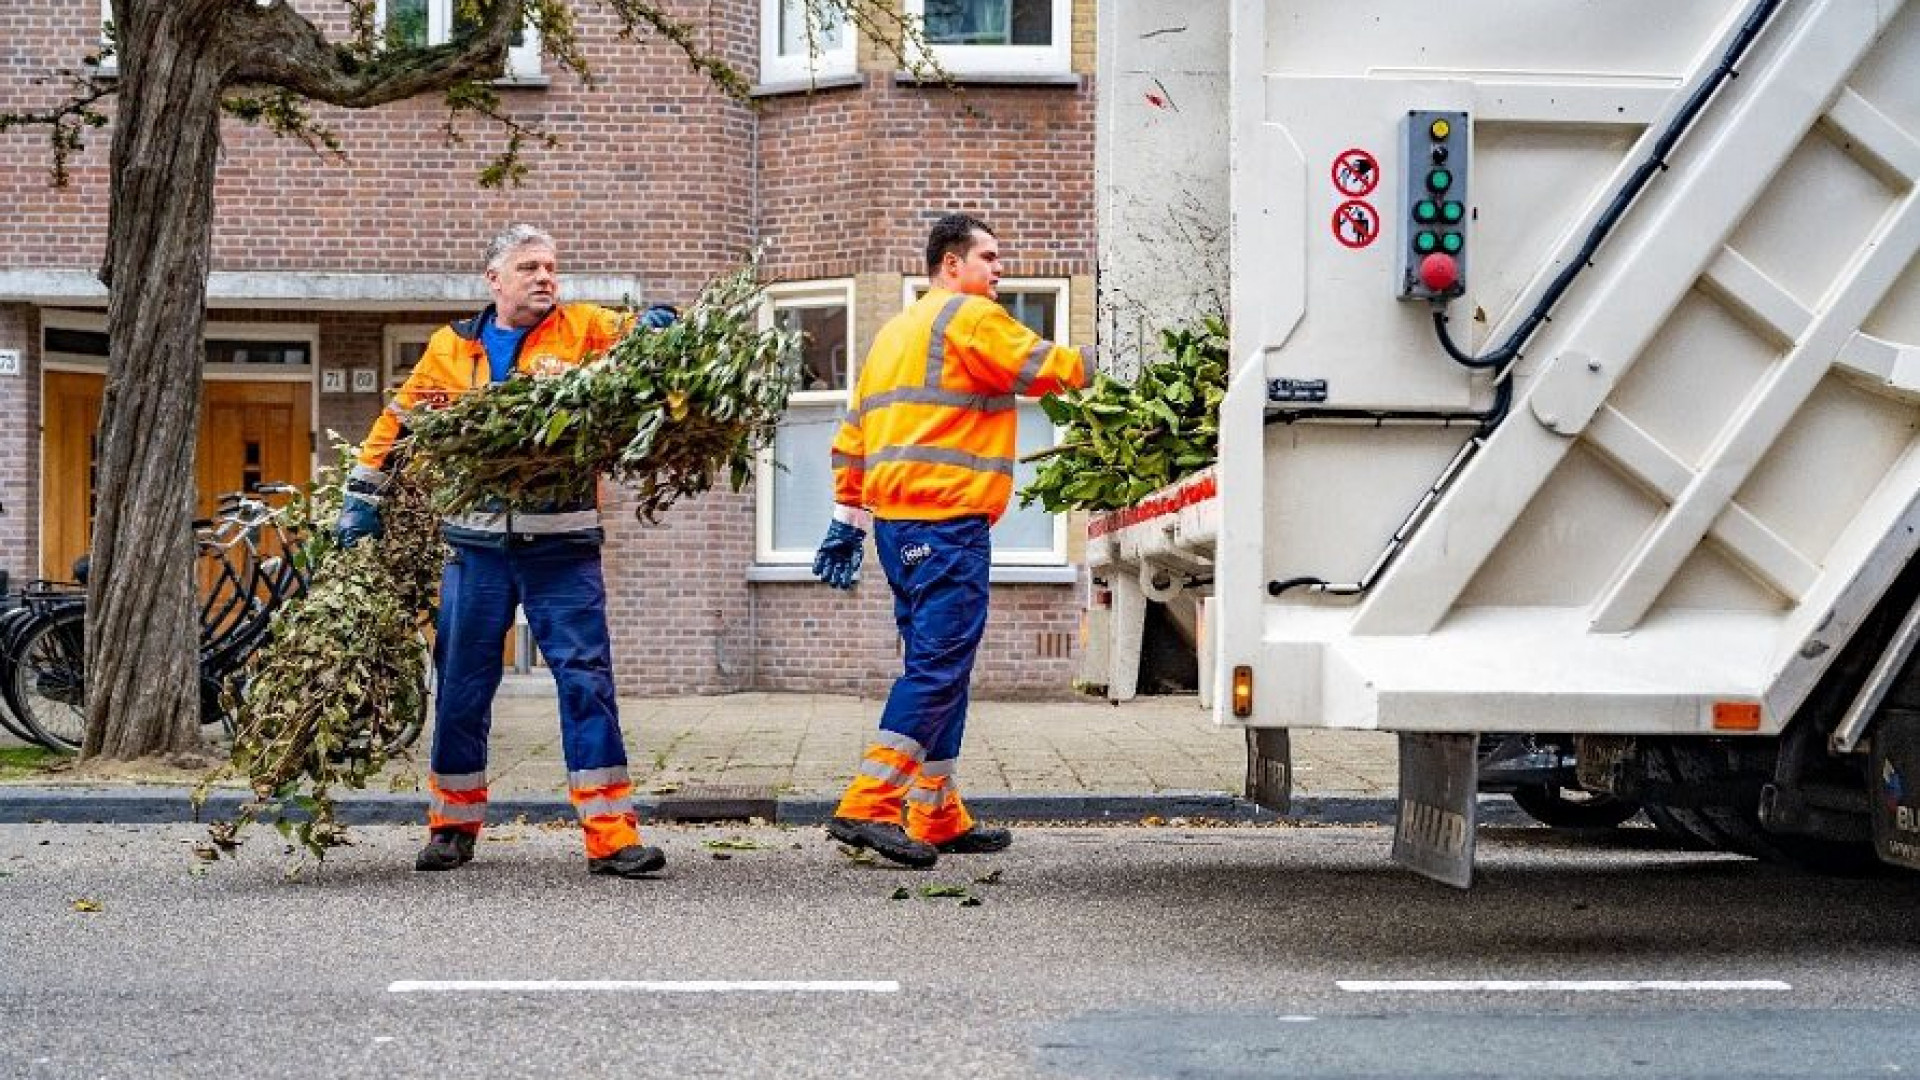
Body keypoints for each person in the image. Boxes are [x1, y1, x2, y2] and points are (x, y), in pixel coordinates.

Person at [338, 224, 677, 878]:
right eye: (529, 266)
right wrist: (363, 496)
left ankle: (611, 836)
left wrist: (663, 325)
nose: (545, 276)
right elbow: (399, 424)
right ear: (495, 279)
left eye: (551, 265)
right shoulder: (450, 349)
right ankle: (452, 826)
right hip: (475, 549)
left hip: (563, 548)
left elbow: (641, 336)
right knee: (463, 684)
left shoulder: (584, 329)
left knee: (586, 682)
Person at [814, 213, 1090, 868]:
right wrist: (1116, 360)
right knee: (939, 668)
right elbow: (1048, 369)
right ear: (950, 266)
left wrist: (846, 520)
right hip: (947, 525)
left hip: (897, 528)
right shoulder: (966, 316)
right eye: (988, 258)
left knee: (942, 668)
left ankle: (934, 810)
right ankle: (869, 805)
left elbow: (854, 433)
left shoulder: (892, 335)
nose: (999, 271)